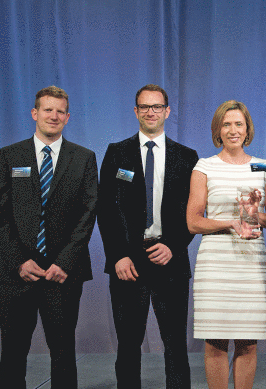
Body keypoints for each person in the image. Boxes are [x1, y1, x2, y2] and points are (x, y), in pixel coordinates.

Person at [0, 86, 98, 389]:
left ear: (68, 117)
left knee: (63, 351)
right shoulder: (10, 155)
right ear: (35, 113)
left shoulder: (84, 158)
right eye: (47, 110)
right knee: (13, 351)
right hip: (15, 272)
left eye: (60, 111)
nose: (54, 116)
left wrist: (64, 262)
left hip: (62, 273)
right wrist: (19, 261)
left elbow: (88, 215)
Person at [98, 84, 199, 388]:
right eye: (145, 107)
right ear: (136, 111)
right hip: (128, 262)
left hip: (170, 259)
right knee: (128, 345)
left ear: (167, 111)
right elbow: (106, 209)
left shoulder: (187, 156)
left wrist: (174, 245)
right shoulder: (117, 152)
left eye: (157, 107)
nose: (151, 112)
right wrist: (118, 255)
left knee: (175, 345)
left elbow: (192, 211)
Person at [187, 100, 266, 389]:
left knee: (247, 342)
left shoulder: (264, 166)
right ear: (218, 130)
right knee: (215, 342)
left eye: (238, 123)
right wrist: (229, 222)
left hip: (251, 264)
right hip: (215, 264)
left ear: (247, 128)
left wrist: (252, 214)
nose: (233, 129)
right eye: (226, 124)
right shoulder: (204, 166)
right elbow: (193, 221)